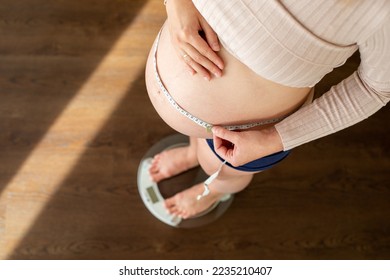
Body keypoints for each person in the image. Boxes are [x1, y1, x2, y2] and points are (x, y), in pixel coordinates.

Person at [145, 0, 390, 219]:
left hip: (248, 134)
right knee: (200, 144)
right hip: (207, 116)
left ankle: (215, 191)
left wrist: (273, 140)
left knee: (224, 174)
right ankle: (192, 153)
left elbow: (375, 89)